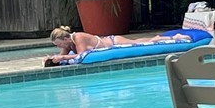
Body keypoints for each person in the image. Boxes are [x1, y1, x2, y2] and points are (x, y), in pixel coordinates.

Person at [46, 26, 178, 65]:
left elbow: (81, 55)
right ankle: (160, 38)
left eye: (58, 45)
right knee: (137, 41)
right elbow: (61, 55)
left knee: (139, 42)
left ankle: (169, 37)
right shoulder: (67, 44)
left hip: (114, 42)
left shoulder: (78, 37)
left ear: (65, 38)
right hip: (109, 41)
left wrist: (63, 58)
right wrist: (52, 58)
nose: (59, 47)